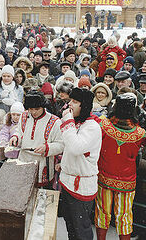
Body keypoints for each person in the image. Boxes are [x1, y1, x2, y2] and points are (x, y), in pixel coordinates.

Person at [95, 93, 146, 240]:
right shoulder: (139, 134)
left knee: (102, 212)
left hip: (104, 176)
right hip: (127, 180)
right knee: (124, 215)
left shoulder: (103, 125)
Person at [59, 88, 101, 240]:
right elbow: (66, 145)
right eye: (70, 101)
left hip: (81, 185)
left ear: (84, 106)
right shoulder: (76, 123)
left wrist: (68, 121)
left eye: (75, 102)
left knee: (81, 228)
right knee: (70, 223)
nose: (70, 104)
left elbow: (76, 148)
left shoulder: (92, 127)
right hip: (67, 181)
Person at [10, 91, 64, 187]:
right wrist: (15, 137)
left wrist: (47, 147)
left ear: (43, 107)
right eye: (30, 109)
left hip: (42, 162)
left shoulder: (55, 121)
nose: (33, 112)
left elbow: (61, 145)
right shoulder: (24, 116)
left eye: (37, 109)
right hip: (23, 159)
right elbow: (19, 131)